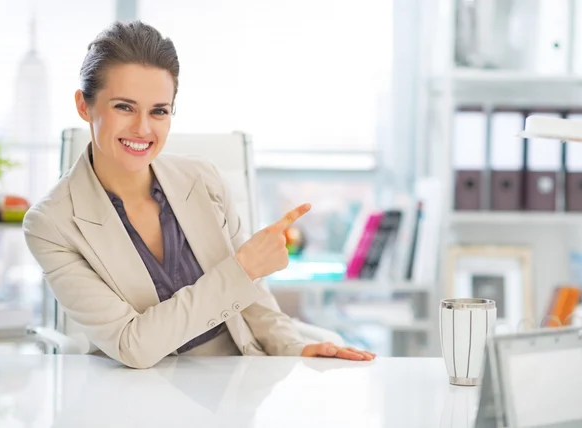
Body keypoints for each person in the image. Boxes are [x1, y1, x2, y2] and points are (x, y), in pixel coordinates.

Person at [23, 21, 375, 369]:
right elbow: (133, 345)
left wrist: (294, 347)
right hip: (137, 396)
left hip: (238, 382)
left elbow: (255, 304)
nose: (143, 128)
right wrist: (243, 268)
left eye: (158, 111)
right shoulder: (51, 224)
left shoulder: (202, 179)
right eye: (124, 107)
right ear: (84, 106)